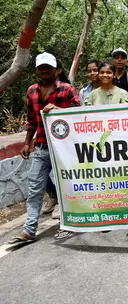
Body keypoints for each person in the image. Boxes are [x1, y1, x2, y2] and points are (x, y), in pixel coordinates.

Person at [6, 53, 81, 246]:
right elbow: (32, 121)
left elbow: (80, 116)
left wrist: (59, 110)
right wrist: (26, 142)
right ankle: (29, 230)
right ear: (37, 70)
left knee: (65, 187)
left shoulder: (67, 90)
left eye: (48, 67)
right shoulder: (31, 91)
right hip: (40, 147)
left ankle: (69, 223)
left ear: (57, 70)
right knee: (35, 189)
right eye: (41, 67)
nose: (44, 70)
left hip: (64, 150)